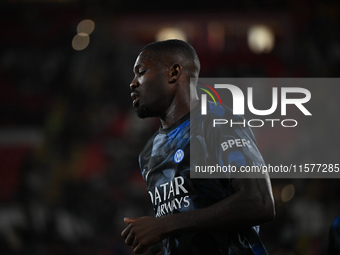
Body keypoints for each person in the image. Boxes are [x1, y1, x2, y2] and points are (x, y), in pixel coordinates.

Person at [121, 39, 275, 255]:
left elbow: (259, 201)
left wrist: (164, 226)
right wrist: (156, 240)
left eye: (141, 72)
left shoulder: (219, 121)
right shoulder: (149, 153)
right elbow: (186, 224)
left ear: (174, 73)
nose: (133, 83)